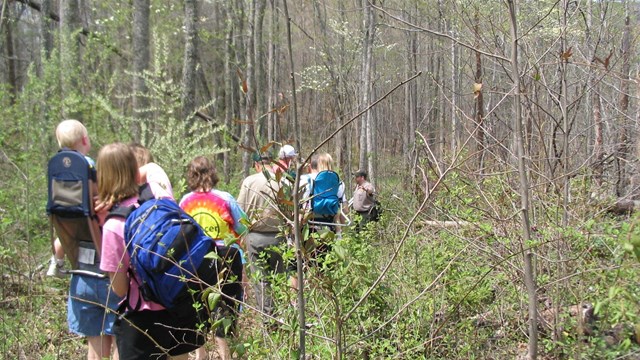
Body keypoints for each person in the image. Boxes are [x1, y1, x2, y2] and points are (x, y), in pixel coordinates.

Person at [98, 143, 203, 360]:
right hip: (180, 302)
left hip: (143, 318)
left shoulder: (114, 224)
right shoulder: (158, 195)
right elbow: (154, 169)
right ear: (136, 170)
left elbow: (119, 289)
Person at [48, 119, 121, 360]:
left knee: (96, 347)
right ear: (86, 141)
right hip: (107, 271)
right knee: (122, 341)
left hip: (80, 273)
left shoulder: (57, 174)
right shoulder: (91, 168)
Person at [179, 156, 247, 360]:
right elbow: (244, 226)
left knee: (198, 306)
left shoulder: (184, 201)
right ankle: (224, 354)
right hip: (226, 257)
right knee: (225, 306)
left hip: (195, 259)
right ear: (212, 173)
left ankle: (201, 354)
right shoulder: (225, 198)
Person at [237, 152, 285, 320]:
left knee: (261, 280)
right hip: (279, 236)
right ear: (270, 164)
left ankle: (267, 318)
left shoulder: (249, 182)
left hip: (255, 236)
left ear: (257, 165)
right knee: (278, 279)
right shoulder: (282, 181)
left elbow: (240, 210)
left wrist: (241, 236)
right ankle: (280, 317)